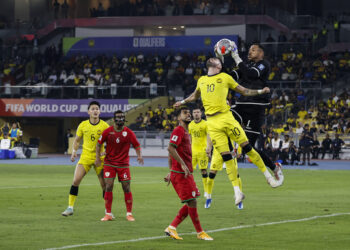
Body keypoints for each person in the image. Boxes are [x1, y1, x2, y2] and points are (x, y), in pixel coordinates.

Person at [174, 57, 282, 206]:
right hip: (212, 123)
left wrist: (259, 91)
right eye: (217, 60)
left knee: (248, 147)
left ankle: (269, 177)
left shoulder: (225, 77)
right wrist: (183, 102)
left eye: (218, 60)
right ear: (214, 65)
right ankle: (237, 192)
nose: (218, 62)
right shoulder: (202, 80)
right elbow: (195, 95)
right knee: (227, 158)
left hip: (227, 118)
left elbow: (243, 90)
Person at [227, 42, 284, 182]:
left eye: (253, 50)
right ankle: (231, 149)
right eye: (250, 49)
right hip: (241, 105)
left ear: (261, 53)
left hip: (256, 107)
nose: (250, 52)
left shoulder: (263, 64)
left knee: (249, 148)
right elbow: (230, 76)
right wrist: (219, 64)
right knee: (224, 118)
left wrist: (236, 58)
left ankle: (274, 167)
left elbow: (252, 75)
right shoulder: (246, 66)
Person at [164, 107, 213, 241]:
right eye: (185, 113)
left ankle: (172, 228)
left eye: (189, 113)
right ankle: (200, 232)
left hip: (184, 173)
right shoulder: (179, 130)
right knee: (192, 202)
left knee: (192, 201)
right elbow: (170, 148)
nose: (189, 114)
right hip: (181, 174)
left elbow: (172, 151)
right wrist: (182, 165)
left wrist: (171, 170)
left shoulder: (186, 132)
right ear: (179, 118)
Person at [61, 101, 109, 216]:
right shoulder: (83, 125)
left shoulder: (105, 126)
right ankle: (70, 207)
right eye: (93, 109)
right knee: (76, 181)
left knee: (105, 186)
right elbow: (77, 141)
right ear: (88, 112)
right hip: (86, 157)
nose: (95, 111)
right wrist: (73, 152)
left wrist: (106, 152)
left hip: (99, 159)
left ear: (100, 111)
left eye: (97, 109)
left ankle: (108, 211)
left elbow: (111, 142)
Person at [96, 110, 144, 222]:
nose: (120, 119)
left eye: (122, 117)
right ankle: (108, 214)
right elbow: (99, 144)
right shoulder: (107, 131)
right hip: (109, 163)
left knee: (126, 187)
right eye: (118, 117)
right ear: (114, 119)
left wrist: (139, 156)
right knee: (108, 186)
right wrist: (98, 158)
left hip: (123, 164)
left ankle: (129, 214)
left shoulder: (129, 132)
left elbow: (137, 145)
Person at [206, 136, 244, 209]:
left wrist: (239, 149)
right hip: (217, 153)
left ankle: (239, 197)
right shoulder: (212, 125)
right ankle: (208, 197)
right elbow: (209, 135)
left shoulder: (229, 124)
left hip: (230, 152)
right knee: (211, 175)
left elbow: (237, 135)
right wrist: (208, 147)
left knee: (236, 175)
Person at [188, 108, 210, 203]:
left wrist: (209, 148)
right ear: (192, 114)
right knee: (189, 171)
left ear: (201, 114)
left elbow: (209, 136)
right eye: (194, 112)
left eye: (198, 112)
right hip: (193, 151)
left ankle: (206, 191)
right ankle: (192, 189)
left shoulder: (205, 124)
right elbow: (189, 137)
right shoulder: (190, 124)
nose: (196, 114)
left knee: (203, 170)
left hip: (202, 151)